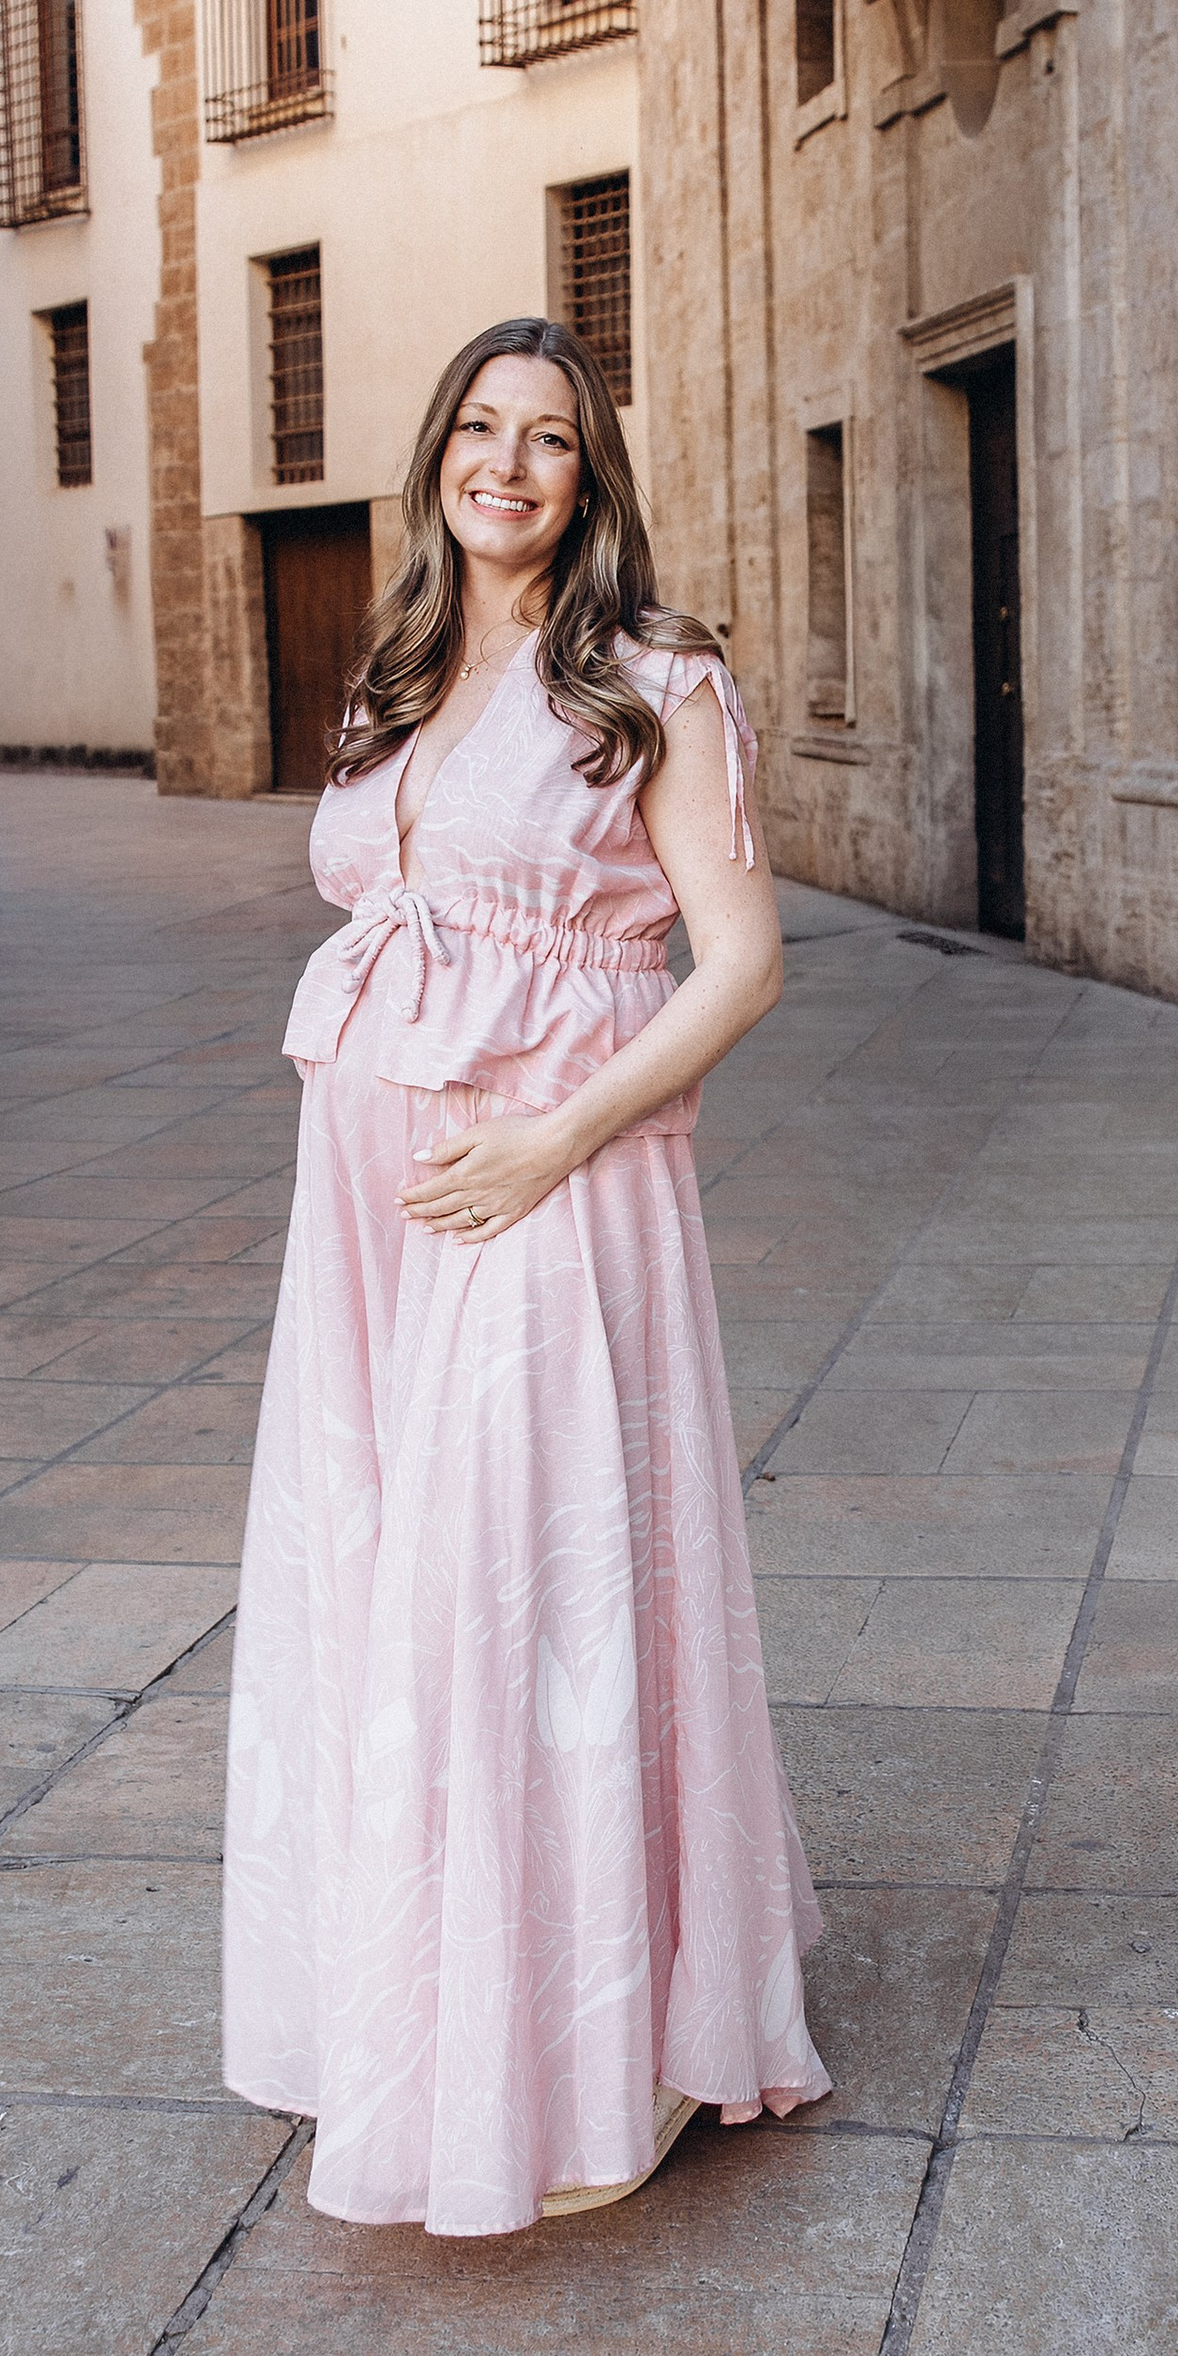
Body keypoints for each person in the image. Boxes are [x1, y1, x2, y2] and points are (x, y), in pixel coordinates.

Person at [221, 316, 829, 2237]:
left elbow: (740, 963)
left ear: (593, 473)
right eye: (478, 428)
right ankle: (410, 2012)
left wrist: (558, 1136)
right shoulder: (404, 674)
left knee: (520, 1601)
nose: (510, 463)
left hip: (548, 1190)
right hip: (374, 1217)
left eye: (550, 437)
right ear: (436, 459)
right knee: (386, 1593)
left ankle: (561, 2065)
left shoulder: (657, 683)